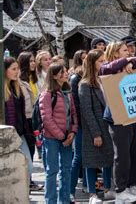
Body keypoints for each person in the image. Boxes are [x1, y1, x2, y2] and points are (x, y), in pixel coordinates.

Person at [100, 41, 136, 202]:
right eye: (124, 50)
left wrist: (131, 62)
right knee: (122, 155)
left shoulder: (130, 64)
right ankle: (120, 190)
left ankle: (131, 185)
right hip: (117, 116)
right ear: (115, 53)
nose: (128, 52)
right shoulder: (107, 68)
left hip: (133, 113)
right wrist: (125, 62)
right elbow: (105, 69)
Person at [39, 63, 78, 204]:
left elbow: (73, 114)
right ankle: (51, 200)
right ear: (55, 76)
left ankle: (65, 200)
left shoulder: (68, 92)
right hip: (52, 138)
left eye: (66, 71)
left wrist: (73, 131)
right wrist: (62, 137)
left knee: (66, 169)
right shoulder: (47, 94)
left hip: (67, 136)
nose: (66, 74)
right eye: (63, 72)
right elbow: (47, 119)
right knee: (52, 171)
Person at [79, 50, 115, 203]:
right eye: (100, 61)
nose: (104, 63)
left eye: (104, 60)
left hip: (107, 124)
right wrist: (96, 133)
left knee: (108, 157)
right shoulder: (85, 84)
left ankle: (107, 188)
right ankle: (92, 193)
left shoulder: (104, 80)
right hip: (93, 127)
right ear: (92, 63)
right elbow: (87, 111)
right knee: (91, 160)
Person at [4, 57, 36, 191]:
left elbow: (22, 113)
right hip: (7, 134)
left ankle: (23, 193)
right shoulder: (3, 89)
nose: (17, 72)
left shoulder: (17, 87)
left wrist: (28, 131)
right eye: (13, 69)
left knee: (27, 164)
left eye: (17, 68)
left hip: (20, 132)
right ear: (4, 71)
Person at [17, 52, 44, 191]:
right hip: (26, 119)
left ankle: (30, 180)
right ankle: (28, 180)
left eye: (34, 61)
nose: (33, 63)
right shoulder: (19, 80)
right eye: (30, 61)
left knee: (33, 149)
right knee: (27, 150)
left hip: (35, 118)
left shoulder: (34, 79)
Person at [69, 50, 88, 201]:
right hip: (81, 123)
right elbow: (75, 104)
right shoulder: (75, 79)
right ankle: (70, 190)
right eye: (82, 59)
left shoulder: (88, 77)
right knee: (79, 156)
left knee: (88, 156)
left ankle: (88, 185)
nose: (85, 61)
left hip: (89, 121)